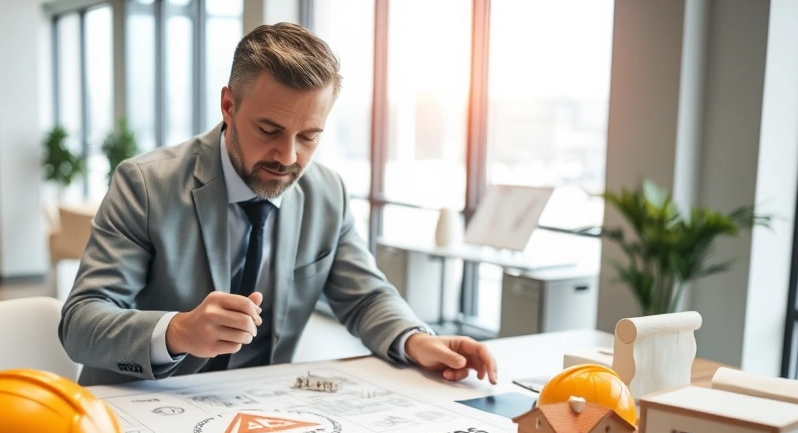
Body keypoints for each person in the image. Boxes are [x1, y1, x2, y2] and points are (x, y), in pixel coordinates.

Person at [59, 22, 498, 387]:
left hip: (254, 414)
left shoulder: (328, 194)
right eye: (269, 129)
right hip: (136, 411)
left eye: (309, 136)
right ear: (229, 105)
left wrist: (416, 340)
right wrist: (178, 332)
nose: (288, 157)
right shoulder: (145, 185)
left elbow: (364, 297)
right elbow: (80, 323)